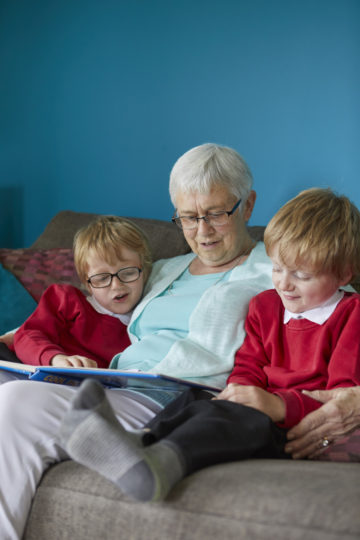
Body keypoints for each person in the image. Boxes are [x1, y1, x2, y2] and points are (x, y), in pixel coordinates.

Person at [0, 143, 274, 539]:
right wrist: (23, 341)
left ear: (247, 206)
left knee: (17, 403)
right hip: (116, 383)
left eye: (215, 213)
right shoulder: (162, 270)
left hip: (180, 398)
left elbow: (333, 311)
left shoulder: (276, 269)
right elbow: (98, 310)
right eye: (188, 217)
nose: (202, 231)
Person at [58, 187, 360, 502]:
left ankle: (158, 466)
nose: (283, 283)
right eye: (277, 268)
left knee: (237, 420)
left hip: (292, 423)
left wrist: (277, 405)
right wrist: (239, 392)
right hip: (257, 408)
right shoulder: (265, 306)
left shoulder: (351, 315)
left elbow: (341, 399)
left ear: (342, 274)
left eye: (300, 275)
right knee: (196, 398)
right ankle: (136, 444)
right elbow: (248, 366)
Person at [5, 216, 151, 370]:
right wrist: (55, 359)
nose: (116, 285)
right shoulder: (67, 300)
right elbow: (27, 335)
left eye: (128, 273)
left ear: (144, 271)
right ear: (88, 284)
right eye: (101, 278)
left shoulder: (148, 325)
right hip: (31, 367)